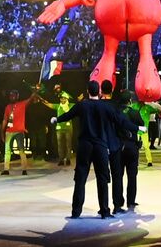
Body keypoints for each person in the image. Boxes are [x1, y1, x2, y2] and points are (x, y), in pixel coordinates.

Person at [56, 80, 134, 220]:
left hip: (85, 145)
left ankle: (76, 211)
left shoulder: (82, 105)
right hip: (100, 146)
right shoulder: (105, 107)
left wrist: (56, 119)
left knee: (80, 178)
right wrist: (135, 129)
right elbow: (120, 120)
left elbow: (68, 115)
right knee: (102, 179)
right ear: (98, 92)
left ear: (87, 91)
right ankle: (104, 211)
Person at [112, 90, 143, 213]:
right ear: (130, 100)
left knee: (117, 176)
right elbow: (141, 126)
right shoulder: (134, 113)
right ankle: (131, 200)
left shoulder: (115, 113)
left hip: (118, 147)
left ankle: (118, 204)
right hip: (132, 147)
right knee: (132, 175)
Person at [1, 88, 33, 176]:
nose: (12, 97)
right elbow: (4, 119)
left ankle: (24, 169)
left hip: (19, 131)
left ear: (17, 96)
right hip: (9, 131)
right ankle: (6, 169)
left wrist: (35, 91)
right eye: (11, 96)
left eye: (14, 95)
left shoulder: (22, 104)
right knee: (7, 151)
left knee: (21, 151)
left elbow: (31, 98)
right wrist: (2, 132)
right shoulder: (7, 107)